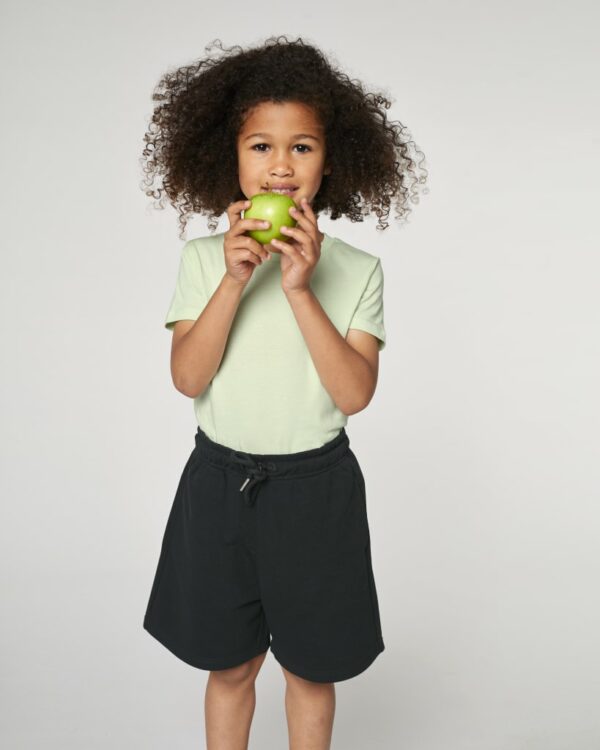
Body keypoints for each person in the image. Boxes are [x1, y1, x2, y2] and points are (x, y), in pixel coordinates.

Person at [140, 35, 428, 750]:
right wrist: (235, 280)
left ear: (331, 160)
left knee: (309, 670)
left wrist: (300, 288)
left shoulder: (357, 269)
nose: (280, 166)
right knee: (231, 665)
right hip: (218, 483)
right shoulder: (204, 260)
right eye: (261, 146)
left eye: (302, 147)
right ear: (230, 157)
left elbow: (354, 394)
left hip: (316, 490)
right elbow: (188, 378)